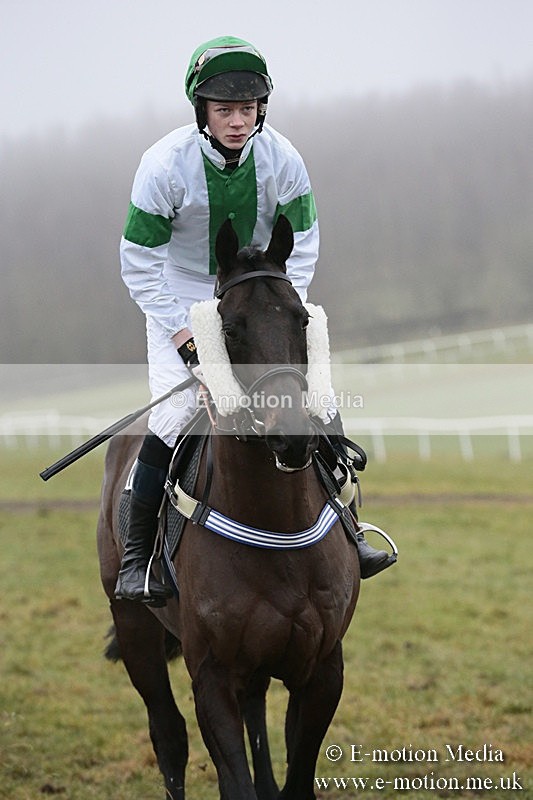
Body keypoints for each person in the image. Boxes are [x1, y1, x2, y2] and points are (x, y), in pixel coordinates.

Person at [115, 36, 394, 606]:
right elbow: (138, 264)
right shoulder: (163, 166)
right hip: (181, 294)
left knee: (316, 398)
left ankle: (349, 529)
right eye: (224, 111)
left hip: (261, 287)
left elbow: (306, 241)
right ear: (202, 112)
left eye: (247, 110)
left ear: (261, 109)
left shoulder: (283, 157)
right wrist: (184, 334)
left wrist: (284, 310)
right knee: (175, 416)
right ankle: (138, 558)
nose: (237, 122)